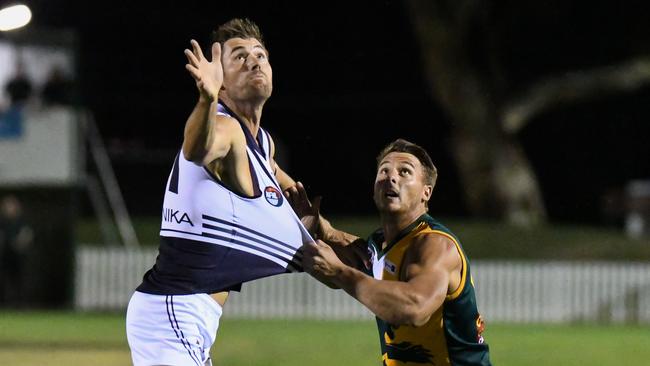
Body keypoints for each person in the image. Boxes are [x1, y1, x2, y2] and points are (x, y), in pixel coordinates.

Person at [126, 18, 313, 366]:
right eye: (239, 57)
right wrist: (206, 99)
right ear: (221, 82)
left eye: (260, 54)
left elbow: (300, 208)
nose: (253, 61)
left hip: (188, 317)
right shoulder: (225, 128)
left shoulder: (262, 143)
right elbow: (197, 149)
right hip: (173, 311)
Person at [293, 139, 491, 365]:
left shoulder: (434, 244)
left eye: (405, 171)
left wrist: (338, 271)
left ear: (426, 192)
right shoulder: (379, 244)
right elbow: (337, 270)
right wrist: (311, 229)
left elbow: (415, 308)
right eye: (384, 171)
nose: (391, 177)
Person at [0, 195, 34, 307]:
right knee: (6, 281)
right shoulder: (2, 222)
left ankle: (22, 304)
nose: (8, 208)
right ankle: (7, 304)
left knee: (21, 280)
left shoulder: (22, 220)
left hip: (20, 256)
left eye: (11, 205)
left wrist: (20, 242)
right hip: (5, 256)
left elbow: (28, 234)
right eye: (6, 205)